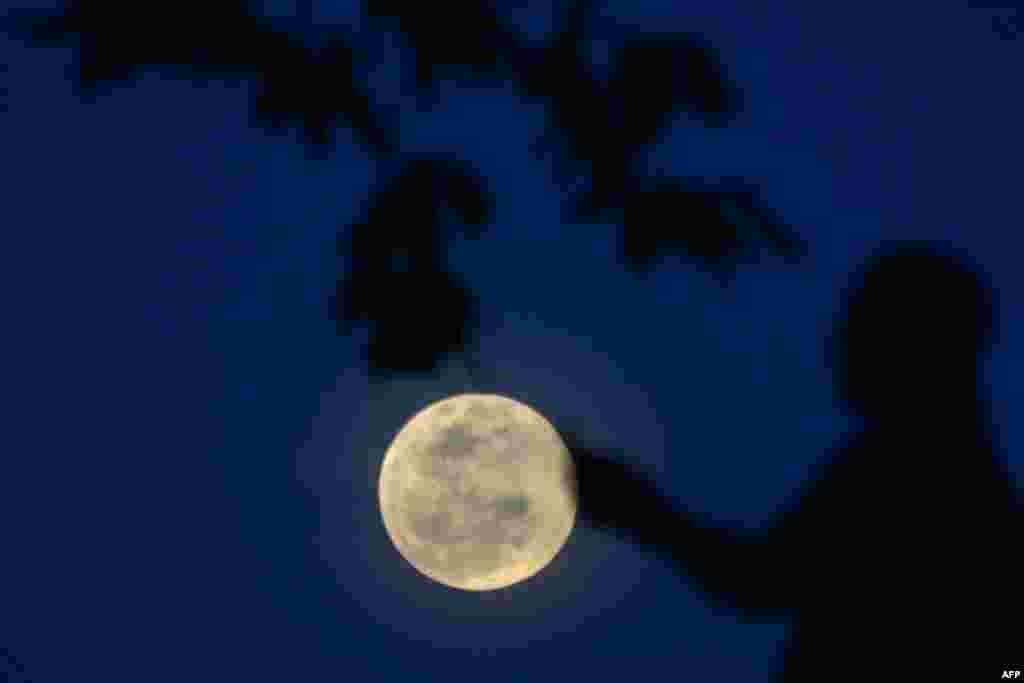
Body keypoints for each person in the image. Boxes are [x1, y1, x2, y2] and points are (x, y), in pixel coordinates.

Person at [564, 241, 1021, 680]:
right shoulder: (958, 477)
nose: (841, 347)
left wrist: (639, 509)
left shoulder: (903, 471)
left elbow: (763, 582)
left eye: (863, 328)